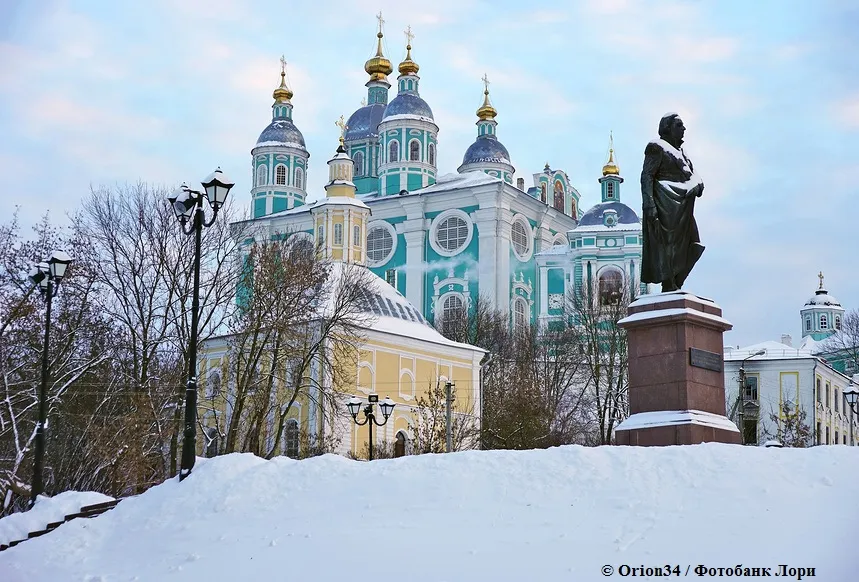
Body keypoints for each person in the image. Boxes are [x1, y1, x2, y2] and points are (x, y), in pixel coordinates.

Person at [640, 113, 705, 292]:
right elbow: (647, 177)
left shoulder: (682, 153)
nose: (684, 129)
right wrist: (649, 205)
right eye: (679, 125)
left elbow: (696, 178)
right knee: (668, 248)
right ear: (667, 128)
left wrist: (698, 186)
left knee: (695, 245)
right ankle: (670, 285)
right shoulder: (656, 147)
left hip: (684, 208)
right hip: (665, 206)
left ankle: (677, 282)